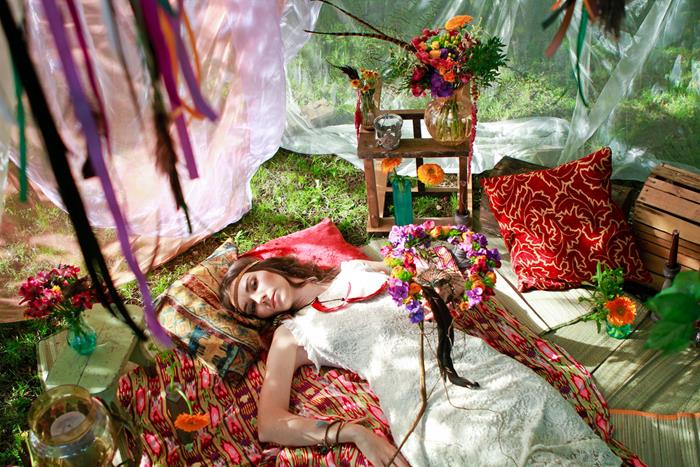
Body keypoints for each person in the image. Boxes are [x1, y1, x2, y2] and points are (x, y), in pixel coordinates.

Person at [220, 255, 621, 467]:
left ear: (265, 266)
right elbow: (270, 423)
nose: (261, 299)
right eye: (251, 306)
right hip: (420, 398)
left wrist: (442, 291)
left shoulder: (355, 268)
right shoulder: (294, 333)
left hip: (468, 359)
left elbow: (436, 277)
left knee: (537, 411)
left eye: (254, 285)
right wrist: (356, 434)